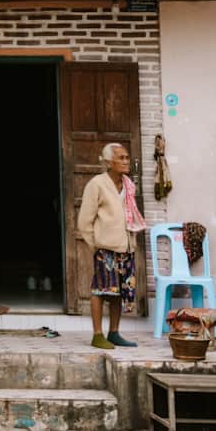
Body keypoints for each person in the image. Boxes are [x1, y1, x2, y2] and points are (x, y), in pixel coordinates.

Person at [75, 141, 143, 349]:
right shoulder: (97, 184)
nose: (126, 161)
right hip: (105, 249)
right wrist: (96, 245)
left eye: (126, 157)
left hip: (126, 247)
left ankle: (114, 333)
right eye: (121, 158)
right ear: (108, 162)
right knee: (101, 290)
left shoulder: (128, 185)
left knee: (119, 292)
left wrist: (132, 243)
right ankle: (97, 335)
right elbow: (84, 221)